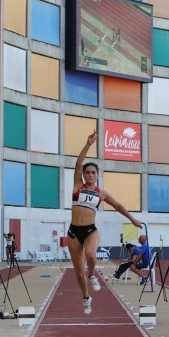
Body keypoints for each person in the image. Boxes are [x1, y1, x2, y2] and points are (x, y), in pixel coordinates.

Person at [68, 130, 142, 315]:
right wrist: (88, 144)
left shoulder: (102, 193)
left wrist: (132, 219)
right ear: (84, 175)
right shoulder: (78, 186)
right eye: (87, 172)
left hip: (90, 230)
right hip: (73, 232)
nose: (90, 175)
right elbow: (78, 164)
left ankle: (92, 275)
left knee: (92, 256)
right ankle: (86, 298)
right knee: (78, 273)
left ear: (98, 175)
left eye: (93, 172)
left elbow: (117, 205)